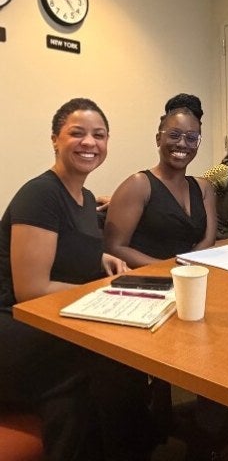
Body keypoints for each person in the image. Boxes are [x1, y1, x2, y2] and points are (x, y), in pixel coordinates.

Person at [0, 98, 159, 461]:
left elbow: (70, 245)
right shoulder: (40, 194)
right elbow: (31, 290)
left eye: (99, 135)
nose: (90, 142)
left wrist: (103, 257)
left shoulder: (86, 198)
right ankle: (140, 442)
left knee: (78, 397)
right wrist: (112, 293)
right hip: (14, 322)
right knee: (109, 362)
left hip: (51, 322)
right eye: (77, 133)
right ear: (55, 139)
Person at [104, 93, 216, 267]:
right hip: (147, 280)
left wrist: (188, 268)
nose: (182, 143)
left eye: (192, 138)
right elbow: (115, 247)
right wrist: (171, 269)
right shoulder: (138, 184)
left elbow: (208, 240)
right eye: (174, 135)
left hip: (189, 278)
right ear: (158, 139)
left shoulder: (204, 188)